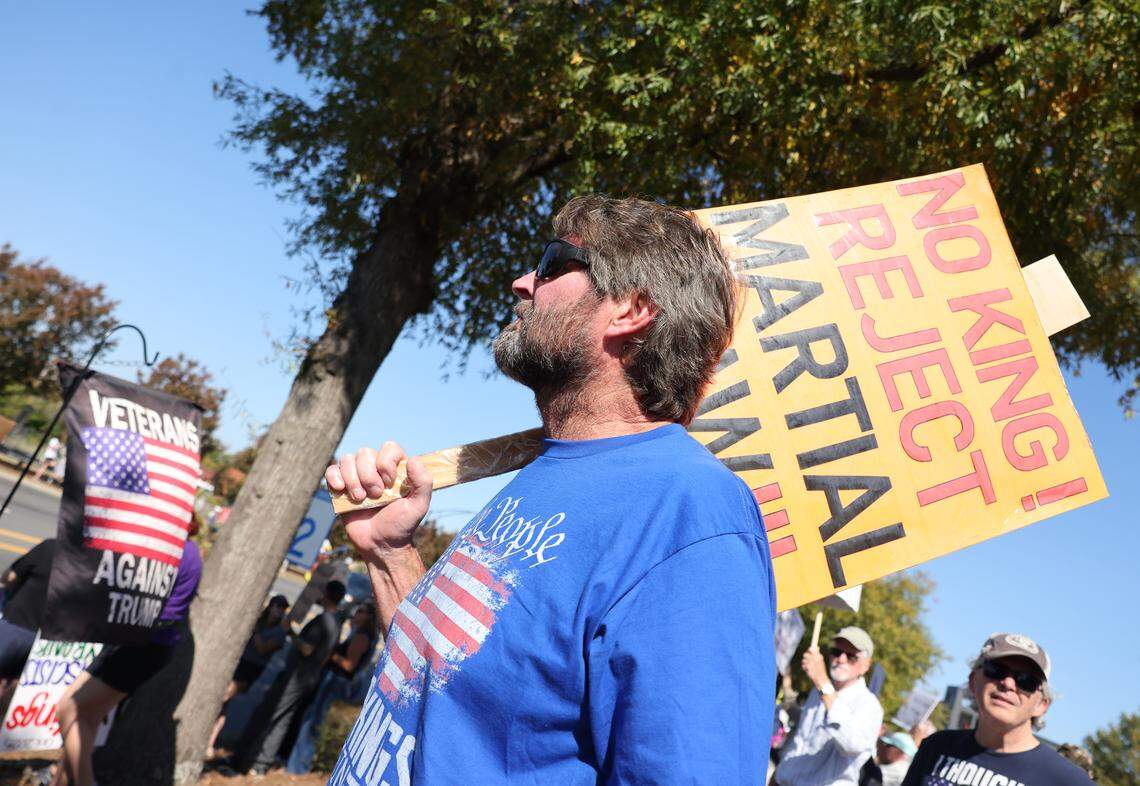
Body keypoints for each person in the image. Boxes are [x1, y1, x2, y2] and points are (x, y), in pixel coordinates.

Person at [326, 196, 777, 784]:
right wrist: (390, 557)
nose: (522, 283)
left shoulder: (691, 514)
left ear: (630, 309)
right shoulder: (550, 466)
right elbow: (446, 684)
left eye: (551, 264)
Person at [52, 534, 203, 786]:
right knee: (85, 719)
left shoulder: (173, 551)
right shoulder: (189, 551)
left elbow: (135, 594)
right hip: (148, 645)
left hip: (141, 644)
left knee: (69, 709)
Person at [901, 633, 1093, 785]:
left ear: (1042, 704)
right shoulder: (936, 747)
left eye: (1026, 680)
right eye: (996, 670)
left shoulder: (1067, 781)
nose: (1008, 683)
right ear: (973, 681)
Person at [233, 579, 345, 775]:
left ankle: (247, 760)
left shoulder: (324, 621)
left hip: (298, 676)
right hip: (310, 677)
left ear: (326, 594)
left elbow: (307, 649)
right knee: (283, 719)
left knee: (270, 714)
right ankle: (261, 763)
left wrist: (289, 634)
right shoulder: (336, 623)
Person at [775, 627, 884, 786]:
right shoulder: (817, 691)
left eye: (851, 656)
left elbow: (852, 745)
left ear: (866, 665)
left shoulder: (869, 705)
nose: (841, 659)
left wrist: (823, 683)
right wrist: (779, 775)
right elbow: (802, 739)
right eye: (836, 652)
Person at [285, 602, 378, 774]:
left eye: (361, 612)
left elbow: (349, 665)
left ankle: (297, 768)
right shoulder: (360, 633)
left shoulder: (362, 636)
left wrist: (329, 653)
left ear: (370, 617)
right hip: (336, 680)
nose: (356, 614)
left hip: (336, 681)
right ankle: (297, 765)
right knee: (313, 720)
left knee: (313, 722)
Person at [205, 594, 290, 759]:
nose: (278, 610)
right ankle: (210, 742)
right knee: (224, 705)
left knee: (224, 696)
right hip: (238, 661)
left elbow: (263, 649)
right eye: (276, 605)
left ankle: (208, 739)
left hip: (251, 669)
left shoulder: (279, 632)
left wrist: (256, 632)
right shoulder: (258, 621)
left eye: (282, 608)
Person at [0, 539, 57, 693]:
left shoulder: (50, 547)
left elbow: (9, 577)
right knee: (13, 692)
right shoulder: (87, 564)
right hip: (46, 644)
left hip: (15, 626)